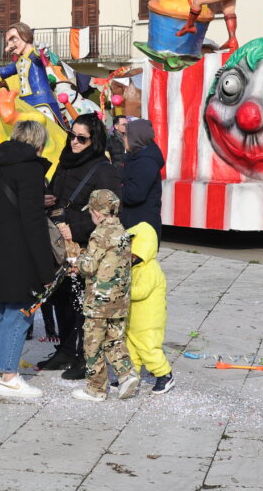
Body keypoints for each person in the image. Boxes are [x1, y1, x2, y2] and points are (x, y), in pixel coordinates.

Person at [0, 120, 55, 400]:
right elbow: (33, 223)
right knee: (20, 311)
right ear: (38, 143)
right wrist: (45, 270)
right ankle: (9, 376)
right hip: (18, 249)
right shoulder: (29, 169)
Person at [38, 113, 121, 379]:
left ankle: (87, 358)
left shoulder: (104, 170)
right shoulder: (65, 161)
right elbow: (57, 193)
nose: (74, 142)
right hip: (59, 242)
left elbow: (109, 212)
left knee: (82, 303)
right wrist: (46, 200)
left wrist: (75, 228)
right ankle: (65, 350)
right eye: (72, 135)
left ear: (93, 141)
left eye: (81, 138)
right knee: (60, 297)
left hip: (85, 245)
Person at [72, 189, 139, 402]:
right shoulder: (122, 231)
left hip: (99, 301)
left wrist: (77, 260)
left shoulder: (100, 234)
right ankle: (127, 374)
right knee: (114, 339)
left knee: (93, 344)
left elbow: (89, 267)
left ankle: (96, 388)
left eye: (91, 211)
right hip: (119, 299)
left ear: (97, 212)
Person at [0, 22, 63, 122]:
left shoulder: (33, 55)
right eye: (8, 42)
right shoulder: (19, 61)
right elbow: (6, 70)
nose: (8, 48)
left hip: (41, 102)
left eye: (13, 39)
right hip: (26, 103)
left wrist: (42, 52)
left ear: (25, 36)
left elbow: (39, 56)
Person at [126, 222, 174, 394]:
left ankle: (164, 374)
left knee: (148, 348)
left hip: (148, 321)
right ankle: (130, 377)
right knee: (130, 350)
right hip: (133, 320)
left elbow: (141, 292)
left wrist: (121, 289)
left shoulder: (149, 268)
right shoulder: (135, 267)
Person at [120, 119, 165, 244]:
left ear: (136, 138)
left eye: (126, 135)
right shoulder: (135, 157)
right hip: (134, 222)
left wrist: (114, 189)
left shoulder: (145, 162)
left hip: (141, 226)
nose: (123, 138)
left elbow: (134, 194)